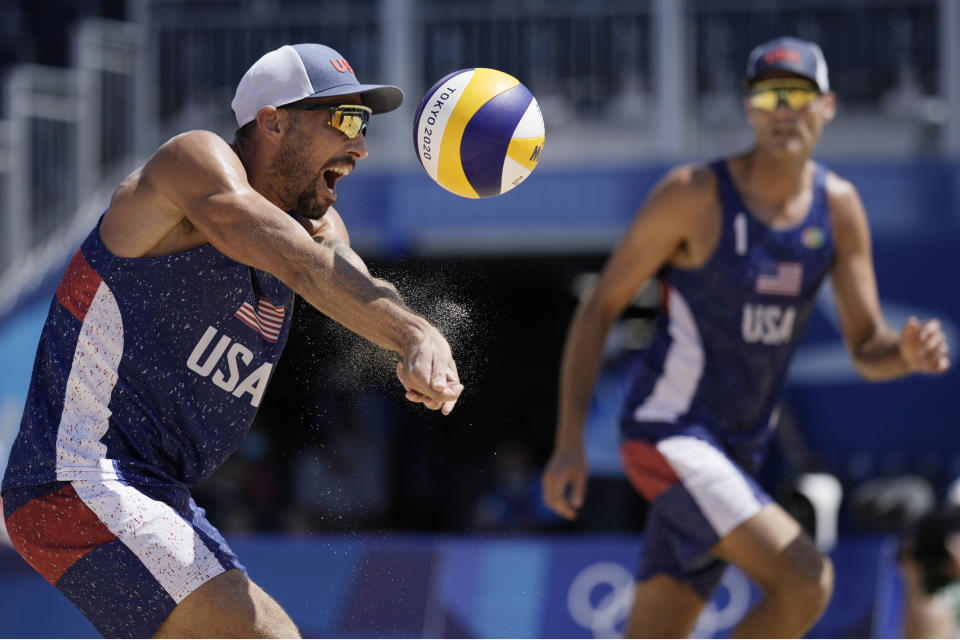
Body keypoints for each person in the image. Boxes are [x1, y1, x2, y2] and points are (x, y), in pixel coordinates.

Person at [0, 42, 463, 639]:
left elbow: (350, 276)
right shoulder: (192, 164)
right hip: (78, 477)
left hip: (156, 492)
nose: (361, 145)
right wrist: (414, 331)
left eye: (365, 124)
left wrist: (413, 337)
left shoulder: (317, 227)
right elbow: (300, 264)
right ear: (273, 122)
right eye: (345, 120)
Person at [542, 36, 950, 638]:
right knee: (807, 580)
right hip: (670, 432)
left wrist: (905, 354)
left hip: (735, 454)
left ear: (828, 105)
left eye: (797, 94)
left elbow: (867, 348)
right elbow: (599, 306)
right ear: (748, 106)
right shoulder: (694, 195)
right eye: (767, 94)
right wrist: (570, 440)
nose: (782, 108)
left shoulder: (836, 208)